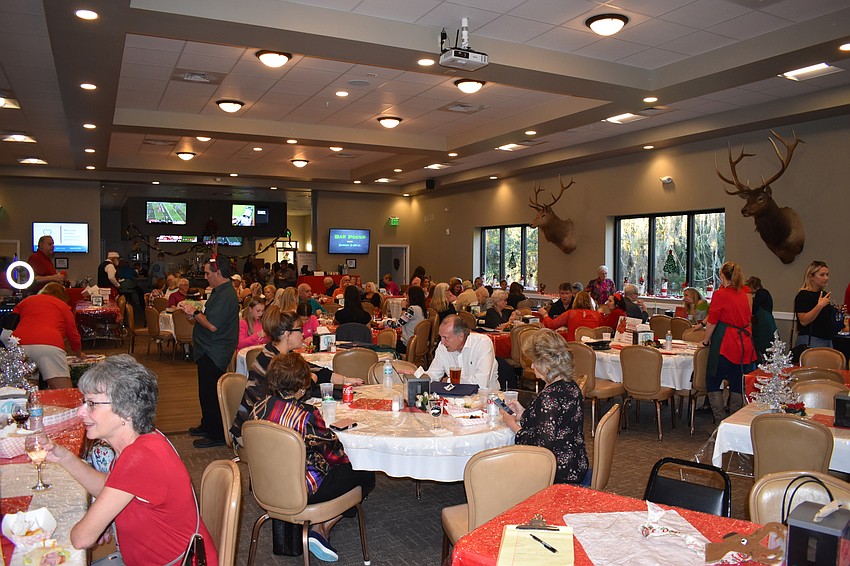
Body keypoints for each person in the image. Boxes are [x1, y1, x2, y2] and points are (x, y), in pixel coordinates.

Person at [44, 355, 218, 563]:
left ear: (126, 410)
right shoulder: (144, 440)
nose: (81, 412)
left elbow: (81, 538)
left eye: (92, 404)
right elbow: (109, 487)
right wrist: (66, 458)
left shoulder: (140, 458)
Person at [248, 352, 375, 562]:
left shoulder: (258, 408)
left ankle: (319, 528)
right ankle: (321, 527)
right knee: (365, 473)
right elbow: (334, 454)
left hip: (267, 485)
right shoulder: (305, 415)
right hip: (303, 490)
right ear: (301, 387)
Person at [231, 308, 362, 446]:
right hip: (253, 431)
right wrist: (311, 380)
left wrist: (347, 381)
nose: (303, 334)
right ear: (287, 334)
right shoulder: (272, 362)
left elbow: (316, 370)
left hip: (268, 423)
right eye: (299, 329)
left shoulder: (278, 353)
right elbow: (291, 397)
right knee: (317, 438)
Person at [501, 329, 589, 485]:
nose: (532, 366)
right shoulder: (571, 385)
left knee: (501, 470)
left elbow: (541, 446)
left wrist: (512, 425)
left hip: (557, 471)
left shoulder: (549, 396)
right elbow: (558, 422)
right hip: (576, 462)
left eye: (536, 361)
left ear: (548, 362)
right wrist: (523, 413)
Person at [179, 255, 239, 448]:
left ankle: (217, 434)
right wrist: (193, 315)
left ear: (218, 273)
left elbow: (212, 325)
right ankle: (207, 425)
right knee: (205, 392)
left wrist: (194, 312)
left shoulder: (226, 294)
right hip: (208, 348)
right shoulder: (218, 291)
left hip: (216, 350)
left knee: (212, 393)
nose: (205, 277)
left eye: (207, 273)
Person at [702, 261, 757, 423]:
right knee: (737, 383)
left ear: (722, 276)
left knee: (712, 380)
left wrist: (705, 341)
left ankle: (720, 421)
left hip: (725, 343)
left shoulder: (720, 294)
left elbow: (712, 321)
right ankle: (734, 421)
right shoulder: (744, 294)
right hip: (743, 344)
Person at [12, 282, 82, 389]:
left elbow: (10, 323)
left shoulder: (26, 301)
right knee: (63, 391)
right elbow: (73, 335)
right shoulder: (62, 305)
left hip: (19, 344)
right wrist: (78, 353)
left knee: (27, 389)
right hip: (49, 345)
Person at [427, 315, 499, 390]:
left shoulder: (482, 343)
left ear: (461, 336)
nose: (442, 342)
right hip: (454, 398)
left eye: (446, 338)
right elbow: (433, 374)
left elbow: (481, 384)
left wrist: (449, 380)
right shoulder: (443, 347)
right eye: (441, 337)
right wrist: (417, 376)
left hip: (485, 397)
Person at [794, 260, 840, 349]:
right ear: (811, 276)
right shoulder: (804, 295)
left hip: (827, 339)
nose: (826, 278)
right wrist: (819, 306)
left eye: (827, 274)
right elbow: (803, 321)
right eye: (822, 275)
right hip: (811, 340)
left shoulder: (823, 294)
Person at [385, 285, 426, 354]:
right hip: (418, 343)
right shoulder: (422, 309)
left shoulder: (413, 309)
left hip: (408, 344)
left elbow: (398, 324)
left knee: (387, 343)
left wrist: (385, 322)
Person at [746, 276, 777, 362]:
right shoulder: (764, 293)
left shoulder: (761, 293)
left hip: (765, 326)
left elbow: (754, 308)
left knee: (766, 348)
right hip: (764, 325)